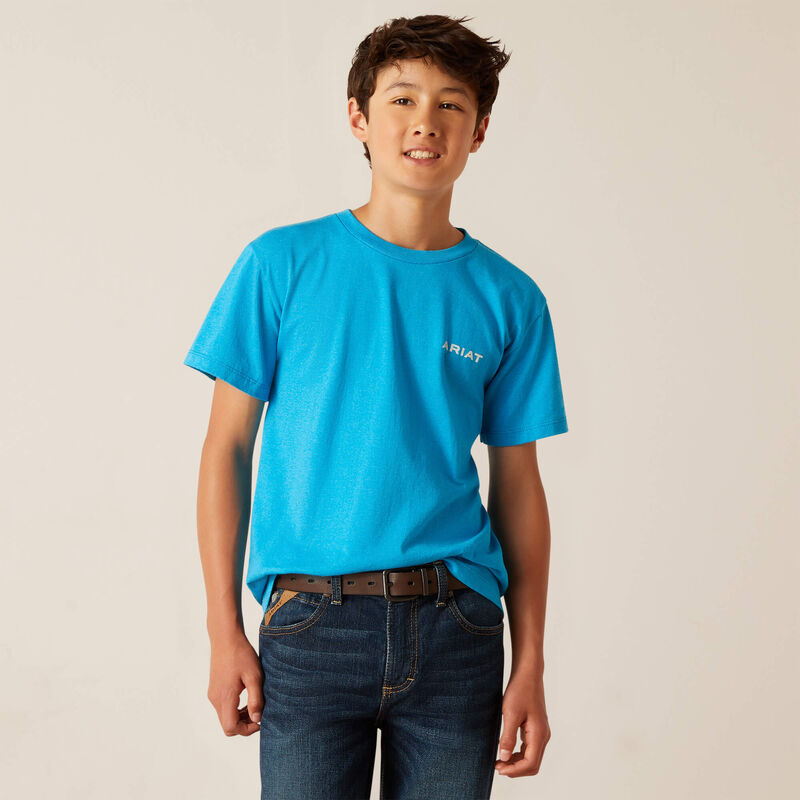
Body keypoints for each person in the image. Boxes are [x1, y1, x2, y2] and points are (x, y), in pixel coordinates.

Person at [184, 13, 568, 799]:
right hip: (311, 625)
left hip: (459, 628)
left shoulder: (510, 298)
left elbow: (519, 482)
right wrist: (224, 629)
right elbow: (227, 448)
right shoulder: (281, 265)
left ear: (480, 131)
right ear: (359, 117)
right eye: (403, 99)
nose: (426, 121)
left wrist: (530, 663)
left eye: (451, 104)